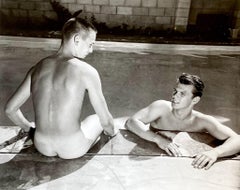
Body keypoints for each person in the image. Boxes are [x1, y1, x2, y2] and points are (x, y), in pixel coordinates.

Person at [4, 18, 118, 159]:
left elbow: (10, 109)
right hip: (72, 148)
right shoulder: (87, 71)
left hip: (42, 146)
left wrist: (29, 128)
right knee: (96, 119)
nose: (91, 50)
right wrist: (112, 132)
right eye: (90, 44)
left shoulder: (37, 68)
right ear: (77, 39)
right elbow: (106, 121)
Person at [125, 73, 240, 169]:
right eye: (175, 91)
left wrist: (215, 153)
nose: (175, 96)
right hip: (153, 163)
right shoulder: (161, 108)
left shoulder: (201, 121)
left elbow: (237, 139)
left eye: (182, 94)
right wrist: (158, 139)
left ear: (195, 100)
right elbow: (131, 122)